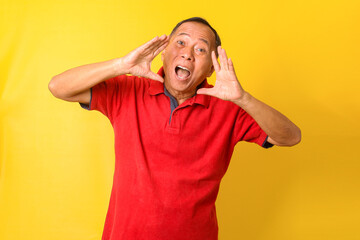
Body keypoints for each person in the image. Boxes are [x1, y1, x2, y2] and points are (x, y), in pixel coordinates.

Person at [49, 17, 301, 240]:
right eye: (180, 43)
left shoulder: (229, 108)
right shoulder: (128, 91)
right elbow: (58, 87)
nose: (188, 53)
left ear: (212, 68)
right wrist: (121, 65)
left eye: (201, 49)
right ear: (164, 53)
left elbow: (290, 137)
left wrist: (243, 98)